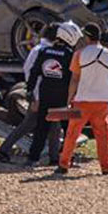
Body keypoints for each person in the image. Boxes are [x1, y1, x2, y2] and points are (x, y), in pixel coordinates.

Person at [56, 23, 108, 175]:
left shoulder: (79, 54)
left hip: (82, 101)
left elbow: (74, 80)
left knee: (72, 134)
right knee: (103, 136)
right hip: (102, 102)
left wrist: (69, 99)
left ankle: (64, 165)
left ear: (86, 37)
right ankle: (105, 167)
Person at [0, 23, 57, 163]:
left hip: (41, 94)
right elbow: (31, 74)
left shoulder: (40, 49)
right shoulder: (41, 51)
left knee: (37, 125)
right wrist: (35, 96)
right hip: (40, 94)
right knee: (47, 125)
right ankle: (54, 157)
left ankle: (4, 149)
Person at [24, 21, 82, 167]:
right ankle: (66, 158)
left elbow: (34, 73)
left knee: (41, 129)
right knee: (69, 130)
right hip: (62, 99)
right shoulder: (70, 55)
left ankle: (33, 159)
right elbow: (73, 78)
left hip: (45, 96)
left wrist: (30, 92)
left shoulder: (44, 52)